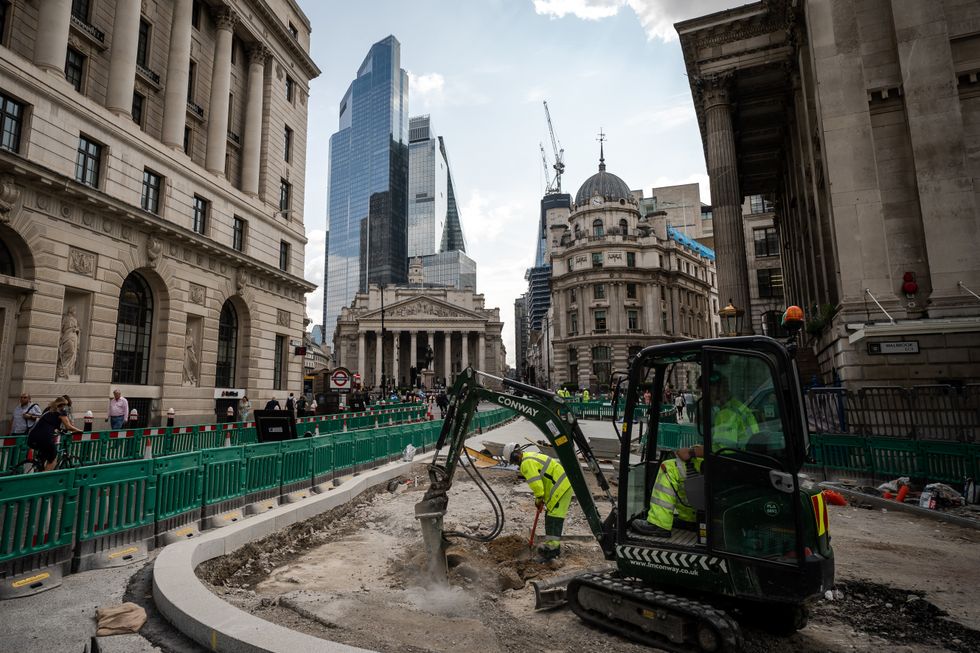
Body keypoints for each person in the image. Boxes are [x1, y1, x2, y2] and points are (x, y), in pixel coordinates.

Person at [632, 371, 760, 538]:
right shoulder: (739, 408)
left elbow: (720, 449)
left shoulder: (726, 414)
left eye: (705, 392)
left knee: (669, 468)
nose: (704, 397)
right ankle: (689, 518)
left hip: (727, 468)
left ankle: (658, 523)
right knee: (687, 471)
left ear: (715, 389)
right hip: (738, 466)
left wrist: (691, 451)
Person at [503, 443, 573, 562]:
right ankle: (552, 546)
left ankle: (552, 551)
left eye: (513, 462)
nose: (515, 464)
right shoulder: (529, 456)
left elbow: (538, 487)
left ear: (514, 457)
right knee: (551, 515)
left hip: (560, 488)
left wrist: (538, 500)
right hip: (560, 485)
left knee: (554, 518)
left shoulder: (526, 464)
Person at [29, 398, 83, 471]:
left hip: (33, 436)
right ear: (63, 405)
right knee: (53, 458)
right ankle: (44, 478)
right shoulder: (61, 412)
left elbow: (48, 423)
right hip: (45, 437)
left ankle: (39, 469)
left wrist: (60, 430)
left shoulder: (48, 409)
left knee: (44, 456)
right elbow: (68, 426)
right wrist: (80, 431)